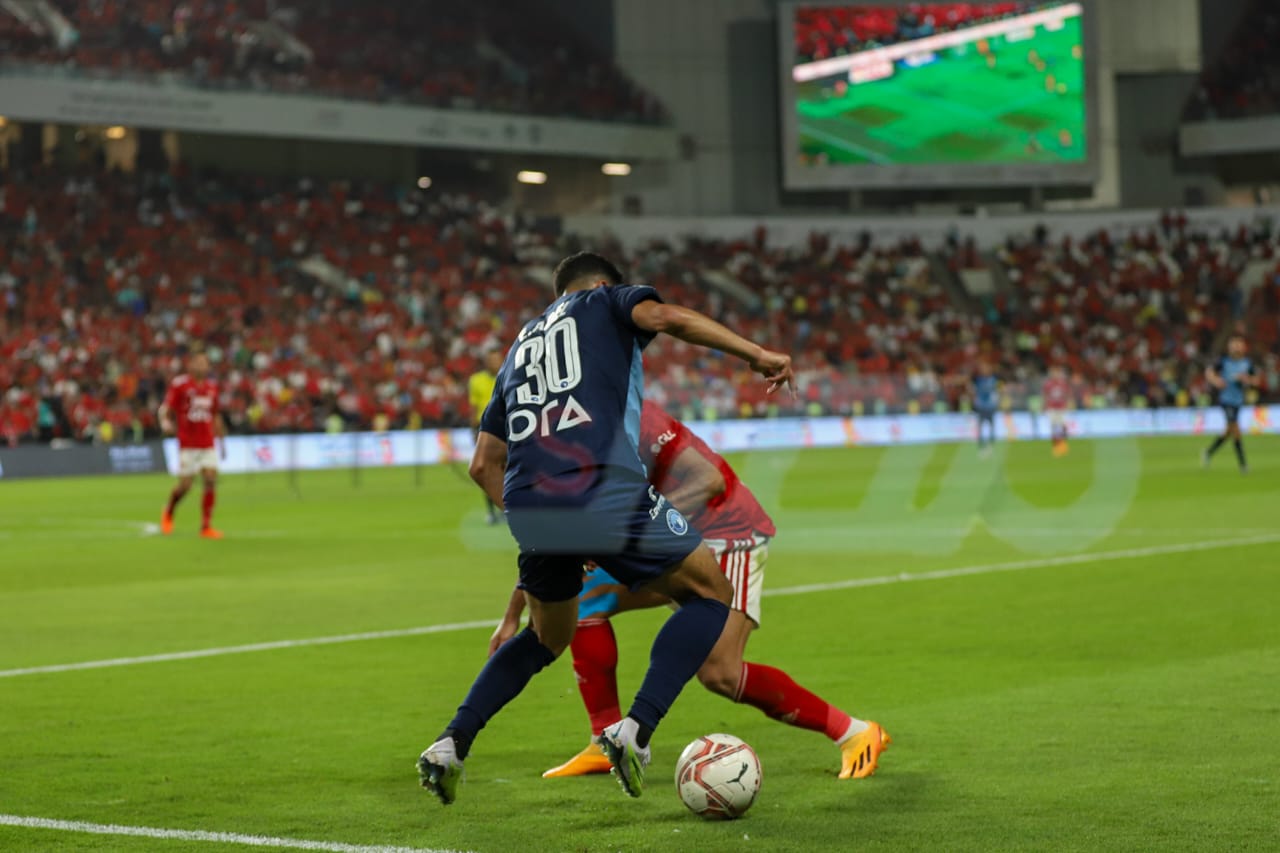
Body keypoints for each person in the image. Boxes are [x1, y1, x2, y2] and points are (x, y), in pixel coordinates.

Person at [417, 252, 794, 805]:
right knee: (711, 593)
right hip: (602, 482)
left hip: (530, 502)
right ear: (599, 284)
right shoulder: (604, 300)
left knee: (546, 636)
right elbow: (669, 318)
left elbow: (482, 465)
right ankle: (634, 731)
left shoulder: (519, 350)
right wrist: (757, 354)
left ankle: (451, 743)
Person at [489, 400, 889, 782]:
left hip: (727, 534)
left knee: (720, 673)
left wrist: (636, 524)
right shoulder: (574, 437)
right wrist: (511, 617)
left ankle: (855, 732)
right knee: (587, 598)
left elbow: (709, 479)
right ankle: (605, 739)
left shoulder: (637, 419)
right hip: (673, 539)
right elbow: (553, 543)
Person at [159, 351, 226, 539]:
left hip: (207, 442)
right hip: (188, 442)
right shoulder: (180, 385)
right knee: (186, 486)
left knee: (210, 479)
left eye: (205, 363)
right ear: (191, 365)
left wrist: (222, 442)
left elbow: (215, 415)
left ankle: (206, 526)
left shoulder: (212, 387)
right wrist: (165, 423)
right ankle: (169, 510)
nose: (202, 366)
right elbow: (166, 409)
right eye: (198, 362)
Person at [1202, 334, 1258, 474]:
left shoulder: (1247, 363)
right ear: (1229, 347)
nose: (1236, 348)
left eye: (1238, 345)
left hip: (1238, 401)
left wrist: (1246, 379)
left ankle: (1208, 452)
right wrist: (1216, 381)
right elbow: (1209, 372)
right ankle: (1243, 465)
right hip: (1225, 400)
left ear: (1243, 347)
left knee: (1228, 432)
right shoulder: (1223, 361)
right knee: (1236, 429)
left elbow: (1256, 380)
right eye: (1233, 345)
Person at [469, 348, 504, 524]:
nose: (494, 363)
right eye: (491, 360)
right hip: (484, 430)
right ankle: (491, 511)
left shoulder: (508, 376)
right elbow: (473, 407)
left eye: (496, 359)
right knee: (485, 470)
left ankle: (506, 509)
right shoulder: (476, 380)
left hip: (506, 428)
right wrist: (473, 430)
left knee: (507, 470)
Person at [1042, 366, 1071, 457]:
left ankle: (1062, 445)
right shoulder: (1048, 384)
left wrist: (1067, 404)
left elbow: (1066, 395)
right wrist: (1044, 406)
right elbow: (1045, 395)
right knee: (1054, 427)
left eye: (1056, 373)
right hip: (1052, 408)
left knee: (1062, 426)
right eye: (1053, 373)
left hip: (1061, 407)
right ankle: (1056, 447)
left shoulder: (1063, 384)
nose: (1055, 375)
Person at [972, 362, 1000, 455]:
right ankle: (981, 443)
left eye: (986, 369)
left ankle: (991, 442)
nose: (985, 370)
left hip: (990, 406)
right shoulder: (978, 379)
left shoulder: (993, 379)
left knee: (991, 425)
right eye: (983, 369)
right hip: (981, 406)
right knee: (980, 425)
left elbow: (997, 390)